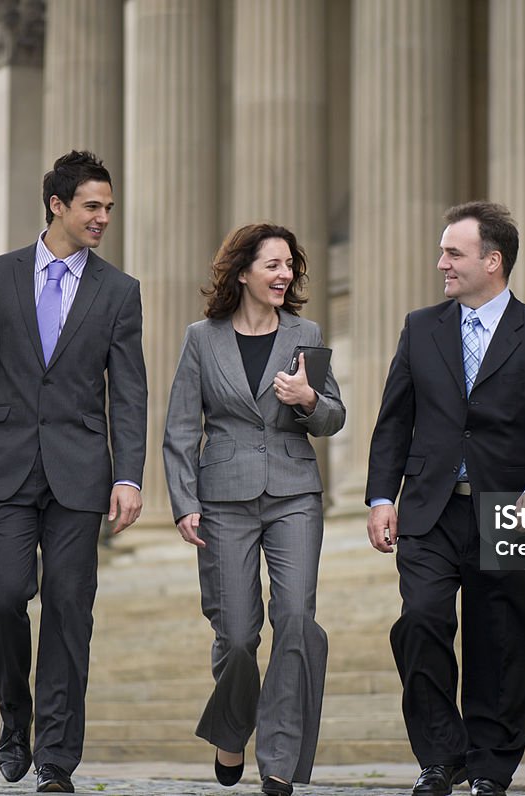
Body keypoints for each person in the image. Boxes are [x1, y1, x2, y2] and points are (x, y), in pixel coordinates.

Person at [0, 151, 147, 794]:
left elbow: (129, 394)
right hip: (3, 467)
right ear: (56, 204)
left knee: (68, 610)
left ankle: (56, 758)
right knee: (2, 598)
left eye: (109, 207)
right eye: (92, 206)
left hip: (80, 474)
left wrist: (128, 475)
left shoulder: (119, 290)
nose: (103, 218)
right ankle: (14, 716)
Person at [365, 202, 525, 796]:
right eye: (443, 252)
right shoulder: (420, 327)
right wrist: (381, 497)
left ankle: (490, 769)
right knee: (421, 620)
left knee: (502, 641)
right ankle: (440, 756)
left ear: (494, 261)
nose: (441, 263)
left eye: (453, 253)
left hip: (508, 509)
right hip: (430, 509)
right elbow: (393, 421)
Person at [162, 223, 345, 796]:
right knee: (237, 634)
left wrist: (309, 399)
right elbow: (180, 428)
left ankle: (280, 758)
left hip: (294, 493)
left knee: (295, 617)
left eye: (290, 265)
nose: (284, 274)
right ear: (242, 272)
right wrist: (184, 502)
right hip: (223, 500)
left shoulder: (305, 331)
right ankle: (231, 726)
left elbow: (334, 416)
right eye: (273, 265)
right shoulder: (201, 338)